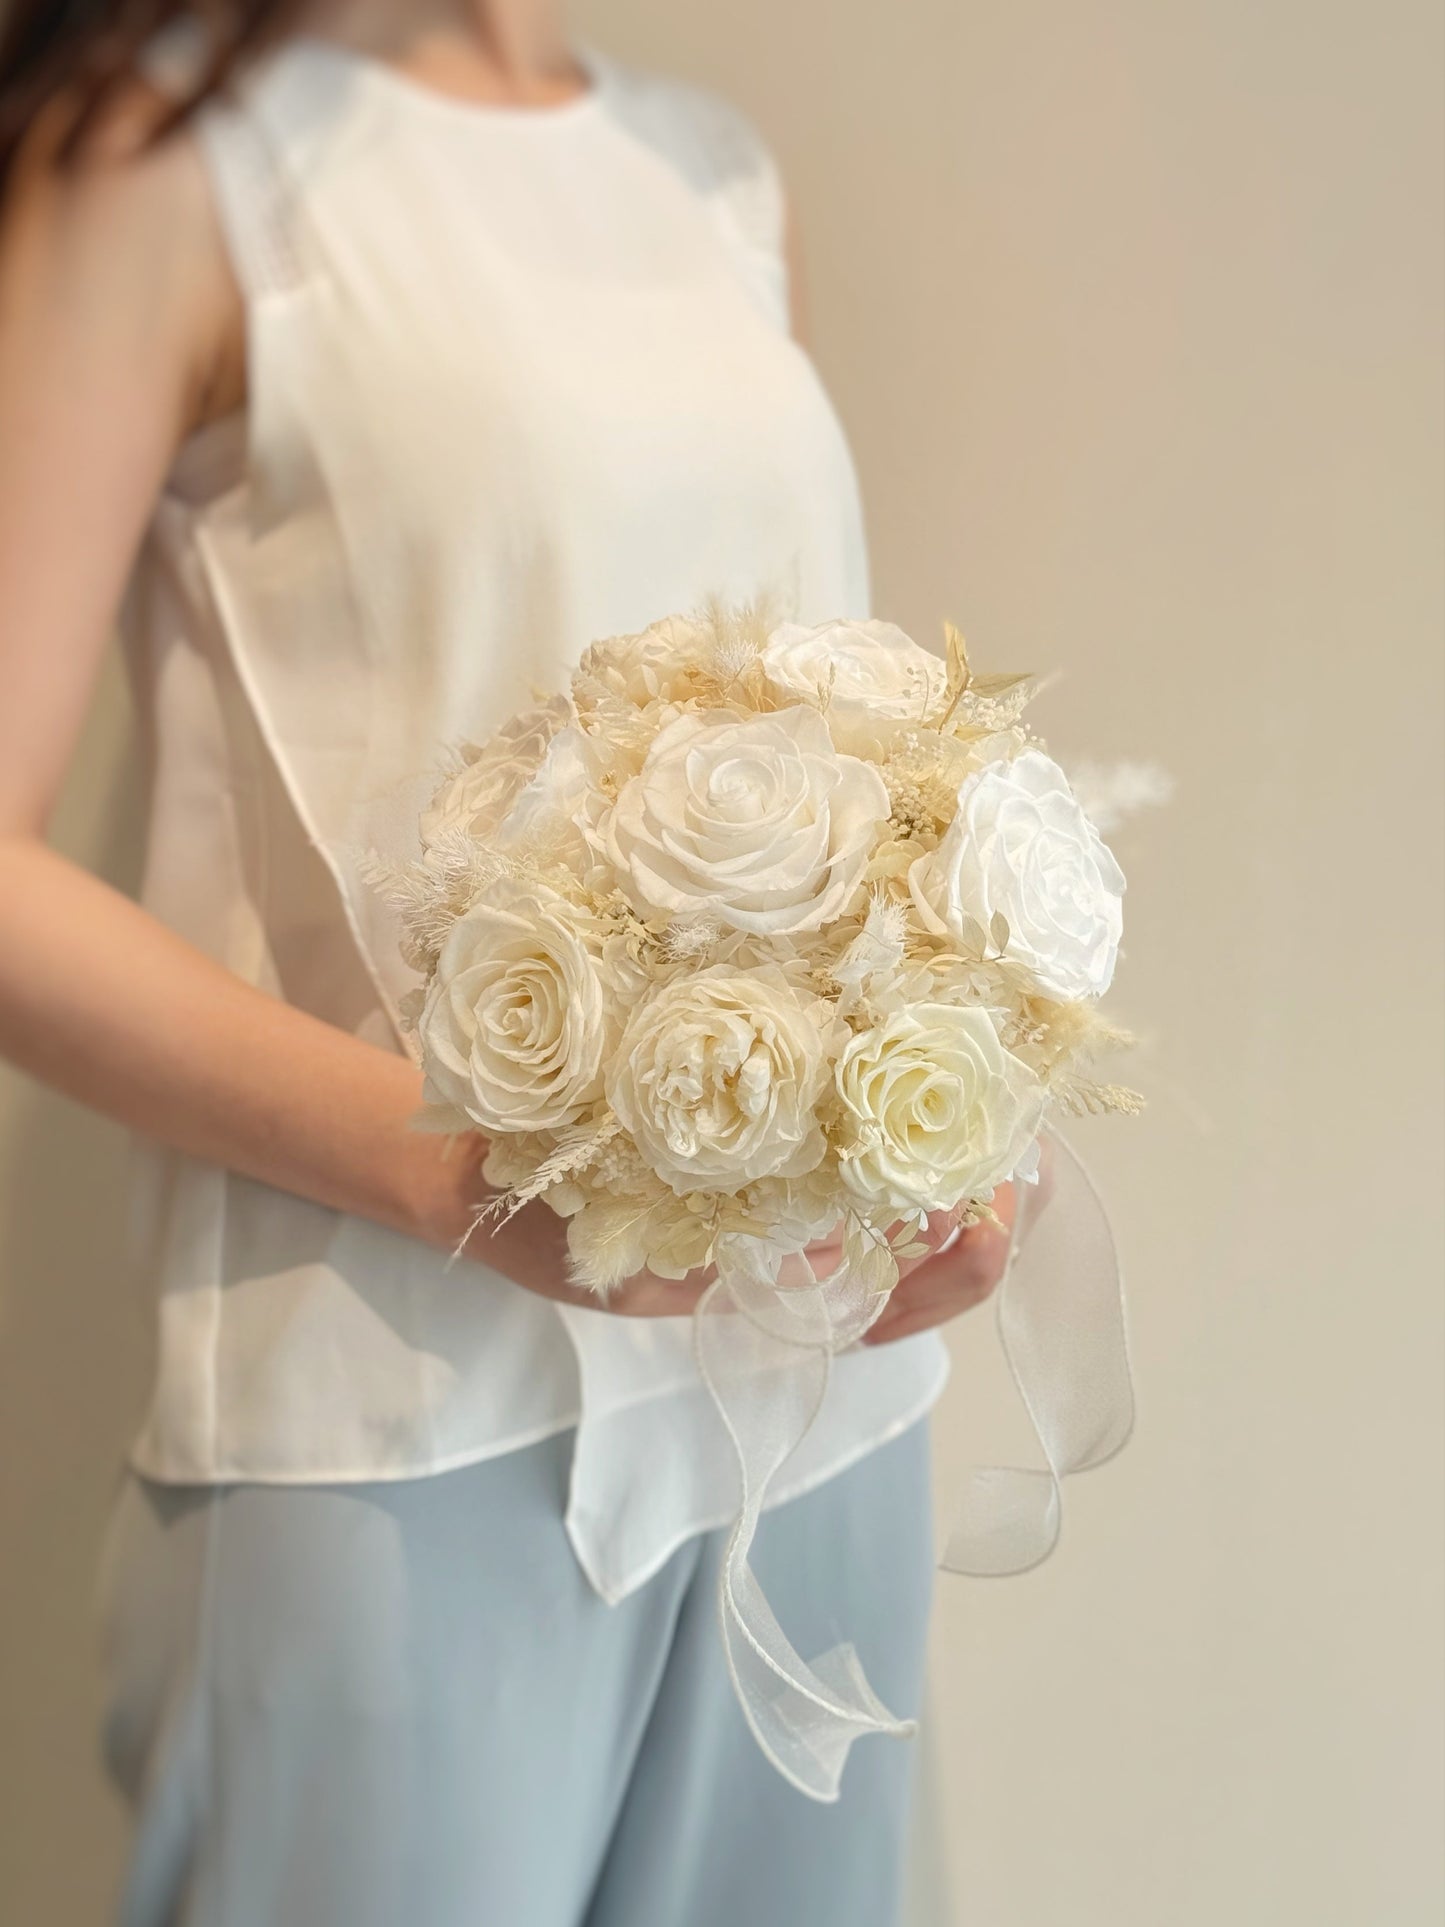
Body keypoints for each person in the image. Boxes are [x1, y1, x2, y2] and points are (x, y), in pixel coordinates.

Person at [0, 4, 1016, 1921]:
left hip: (810, 1412)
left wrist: (944, 1086)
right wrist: (446, 1166)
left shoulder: (711, 177)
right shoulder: (164, 165)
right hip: (398, 1432)